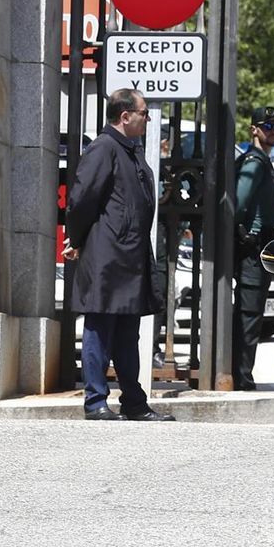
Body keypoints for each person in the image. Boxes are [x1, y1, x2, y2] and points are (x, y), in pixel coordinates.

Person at [63, 89, 175, 422]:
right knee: (99, 327)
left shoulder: (129, 150)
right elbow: (81, 200)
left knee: (128, 334)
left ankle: (135, 403)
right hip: (107, 255)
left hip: (130, 256)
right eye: (144, 113)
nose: (147, 118)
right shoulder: (104, 148)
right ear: (125, 116)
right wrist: (77, 238)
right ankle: (96, 400)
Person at [233, 106, 274, 391]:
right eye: (268, 125)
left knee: (250, 311)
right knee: (249, 312)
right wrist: (244, 232)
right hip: (253, 247)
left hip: (260, 245)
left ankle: (241, 372)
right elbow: (238, 204)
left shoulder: (261, 160)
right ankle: (241, 375)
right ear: (254, 129)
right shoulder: (254, 162)